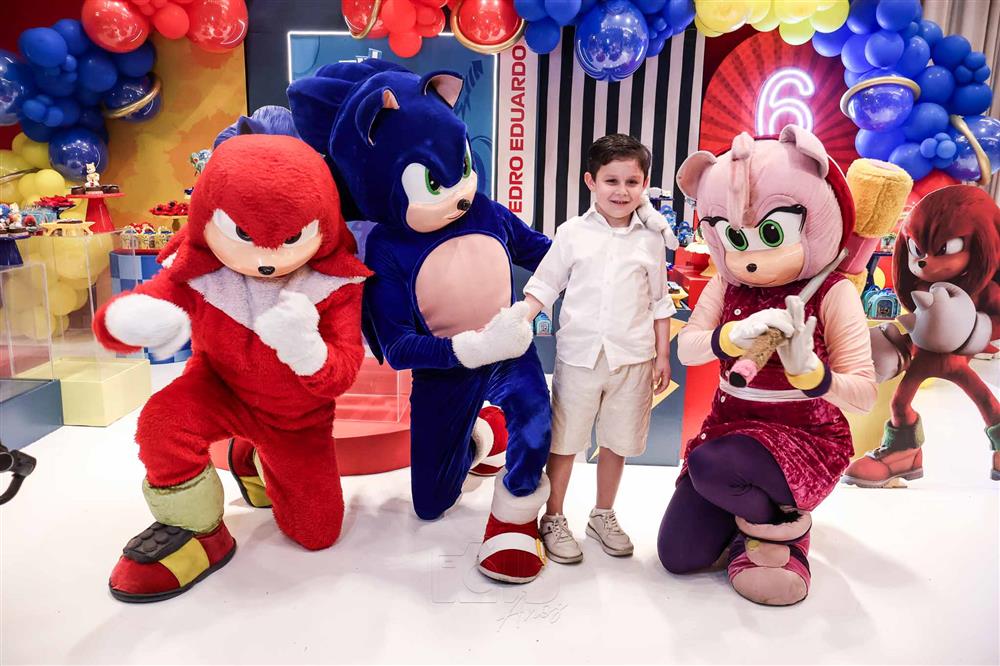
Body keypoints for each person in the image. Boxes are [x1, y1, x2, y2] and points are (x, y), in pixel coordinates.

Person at [520, 134, 678, 564]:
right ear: (591, 181)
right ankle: (554, 516)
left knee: (617, 442)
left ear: (644, 184)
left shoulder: (650, 240)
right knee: (565, 441)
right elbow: (545, 284)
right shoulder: (572, 233)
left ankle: (602, 514)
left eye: (632, 182)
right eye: (612, 181)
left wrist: (662, 355)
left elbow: (659, 301)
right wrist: (519, 318)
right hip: (580, 357)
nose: (622, 191)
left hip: (633, 359)